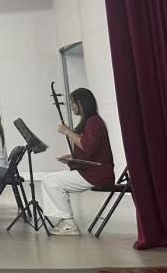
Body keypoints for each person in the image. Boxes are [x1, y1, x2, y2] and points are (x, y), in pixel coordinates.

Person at [41, 88, 115, 236]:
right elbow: (91, 151)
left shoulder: (93, 122)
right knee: (51, 180)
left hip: (95, 174)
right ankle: (66, 221)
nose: (72, 106)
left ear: (81, 103)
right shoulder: (91, 122)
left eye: (73, 103)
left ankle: (69, 224)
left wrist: (67, 132)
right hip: (93, 172)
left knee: (51, 182)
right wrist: (72, 157)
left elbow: (87, 147)